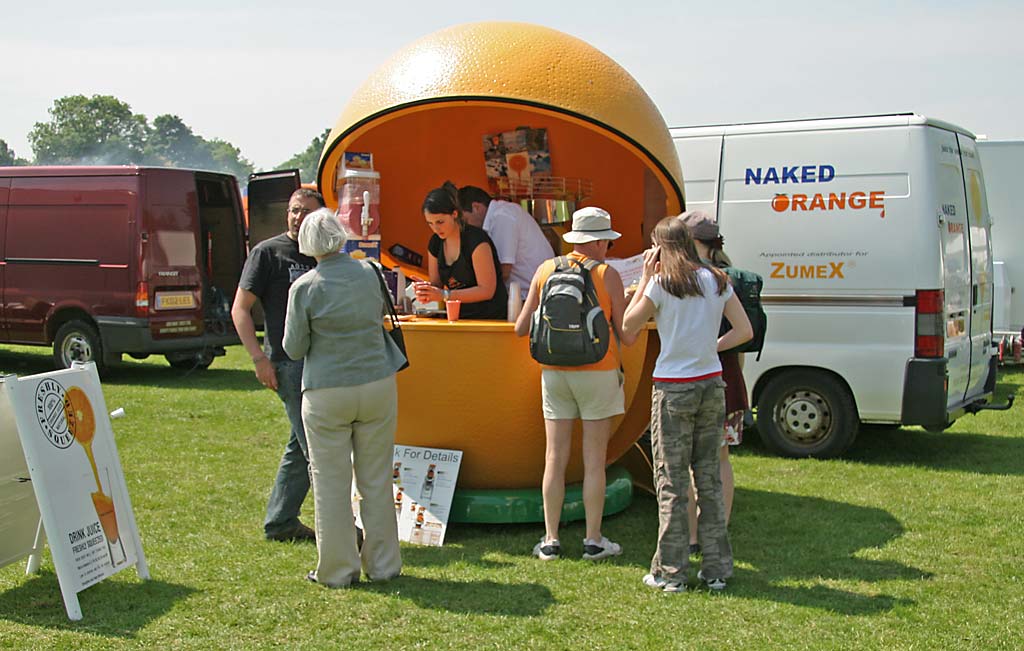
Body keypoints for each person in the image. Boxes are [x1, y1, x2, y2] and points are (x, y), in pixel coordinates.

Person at [622, 215, 752, 592]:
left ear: (661, 247)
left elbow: (628, 330)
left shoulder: (661, 285)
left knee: (672, 481)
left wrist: (646, 278)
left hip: (673, 389)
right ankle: (716, 571)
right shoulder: (718, 280)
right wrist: (712, 347)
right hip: (712, 385)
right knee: (708, 477)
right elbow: (744, 331)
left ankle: (670, 572)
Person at [282, 209, 405, 587]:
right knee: (376, 480)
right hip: (377, 383)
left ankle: (336, 570)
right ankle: (383, 565)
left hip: (327, 390)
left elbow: (293, 348)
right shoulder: (369, 272)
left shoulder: (304, 286)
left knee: (331, 484)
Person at [514, 206, 637, 561]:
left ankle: (550, 540)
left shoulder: (546, 269)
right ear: (598, 242)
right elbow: (625, 336)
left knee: (555, 456)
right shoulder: (607, 274)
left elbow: (522, 328)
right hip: (599, 371)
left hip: (554, 372)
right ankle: (593, 540)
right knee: (594, 459)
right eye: (607, 243)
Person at [231, 187, 323, 542]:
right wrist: (259, 359)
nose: (298, 218)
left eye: (307, 213)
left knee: (300, 447)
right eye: (294, 211)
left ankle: (281, 521)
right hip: (287, 365)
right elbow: (240, 309)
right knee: (315, 449)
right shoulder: (267, 253)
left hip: (320, 363)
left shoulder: (322, 254)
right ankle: (343, 531)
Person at [680, 210, 747, 555]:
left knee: (694, 461)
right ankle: (716, 530)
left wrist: (710, 346)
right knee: (721, 459)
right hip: (729, 378)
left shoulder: (689, 279)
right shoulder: (727, 274)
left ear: (691, 241)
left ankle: (693, 536)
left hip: (699, 378)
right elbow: (745, 331)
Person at [414, 181, 508, 319]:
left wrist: (444, 295)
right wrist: (426, 290)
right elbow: (437, 284)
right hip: (459, 318)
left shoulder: (476, 240)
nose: (435, 229)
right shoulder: (435, 243)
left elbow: (487, 290)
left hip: (491, 319)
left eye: (440, 222)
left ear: (454, 214)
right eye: (430, 223)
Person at [458, 185, 553, 299]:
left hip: (529, 297)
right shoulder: (504, 212)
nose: (466, 227)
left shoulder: (502, 217)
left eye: (465, 220)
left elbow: (503, 270)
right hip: (529, 293)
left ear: (476, 207)